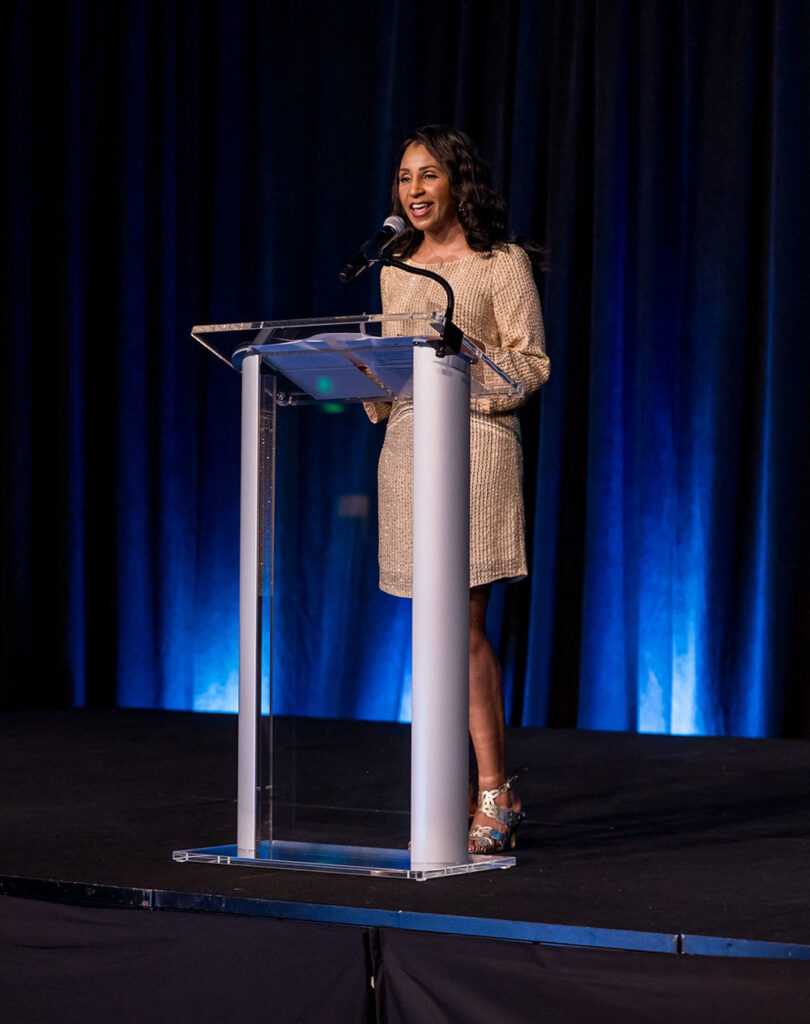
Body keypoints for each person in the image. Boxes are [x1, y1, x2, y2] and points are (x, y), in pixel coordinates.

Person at [364, 125, 550, 853]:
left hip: (476, 451)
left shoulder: (497, 264)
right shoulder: (394, 269)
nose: (413, 191)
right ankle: (443, 784)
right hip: (409, 451)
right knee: (423, 630)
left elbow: (530, 363)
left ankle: (495, 789)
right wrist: (360, 378)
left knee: (463, 628)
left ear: (455, 182)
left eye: (428, 176)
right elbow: (383, 375)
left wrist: (462, 375)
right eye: (404, 178)